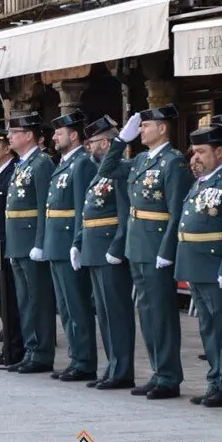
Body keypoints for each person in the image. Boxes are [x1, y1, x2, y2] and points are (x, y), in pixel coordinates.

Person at [97, 105, 192, 400]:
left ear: (162, 128)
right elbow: (107, 170)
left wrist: (168, 249)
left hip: (156, 245)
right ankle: (158, 372)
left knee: (161, 314)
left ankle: (169, 376)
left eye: (145, 126)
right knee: (147, 313)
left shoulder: (173, 163)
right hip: (137, 244)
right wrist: (119, 142)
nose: (141, 131)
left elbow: (177, 210)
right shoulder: (139, 160)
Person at [178, 125, 222, 408]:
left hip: (217, 265)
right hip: (197, 265)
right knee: (209, 329)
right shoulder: (202, 182)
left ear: (221, 153)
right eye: (194, 152)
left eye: (202, 152)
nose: (195, 158)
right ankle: (215, 381)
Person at [74, 116, 135, 390]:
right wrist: (78, 242)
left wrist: (117, 247)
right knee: (104, 311)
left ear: (107, 143)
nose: (89, 148)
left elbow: (125, 214)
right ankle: (112, 367)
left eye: (94, 143)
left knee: (117, 312)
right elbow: (87, 212)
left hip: (110, 248)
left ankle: (122, 370)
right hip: (93, 248)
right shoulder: (98, 171)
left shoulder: (119, 171)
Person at [47, 110, 98, 383]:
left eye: (59, 132)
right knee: (65, 306)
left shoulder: (82, 164)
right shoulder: (64, 163)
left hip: (68, 242)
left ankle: (85, 360)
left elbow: (82, 208)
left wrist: (78, 241)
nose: (55, 136)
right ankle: (76, 357)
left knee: (77, 305)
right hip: (56, 242)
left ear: (74, 134)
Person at [5, 113, 56, 374]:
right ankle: (31, 348)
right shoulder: (22, 164)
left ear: (28, 135)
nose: (9, 137)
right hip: (17, 241)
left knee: (38, 299)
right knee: (25, 300)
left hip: (31, 241)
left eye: (14, 132)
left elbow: (43, 206)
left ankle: (42, 352)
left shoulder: (41, 163)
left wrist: (40, 242)